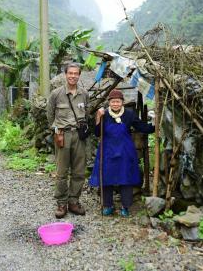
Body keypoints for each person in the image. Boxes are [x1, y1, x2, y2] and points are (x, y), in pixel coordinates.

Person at [89, 88, 154, 217]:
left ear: (122, 102)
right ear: (109, 102)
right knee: (106, 177)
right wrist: (97, 118)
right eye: (113, 102)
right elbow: (97, 133)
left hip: (125, 151)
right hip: (107, 150)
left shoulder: (129, 114)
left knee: (125, 177)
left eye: (118, 101)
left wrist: (154, 125)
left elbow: (141, 127)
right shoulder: (104, 114)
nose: (115, 104)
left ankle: (125, 206)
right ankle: (108, 205)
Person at [47, 62, 89, 219]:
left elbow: (87, 112)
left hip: (79, 136)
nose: (73, 76)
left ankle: (73, 201)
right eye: (70, 73)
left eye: (76, 73)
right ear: (66, 74)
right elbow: (50, 115)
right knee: (62, 172)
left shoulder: (84, 94)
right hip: (62, 135)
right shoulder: (56, 94)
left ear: (79, 75)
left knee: (79, 171)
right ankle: (61, 203)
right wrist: (57, 130)